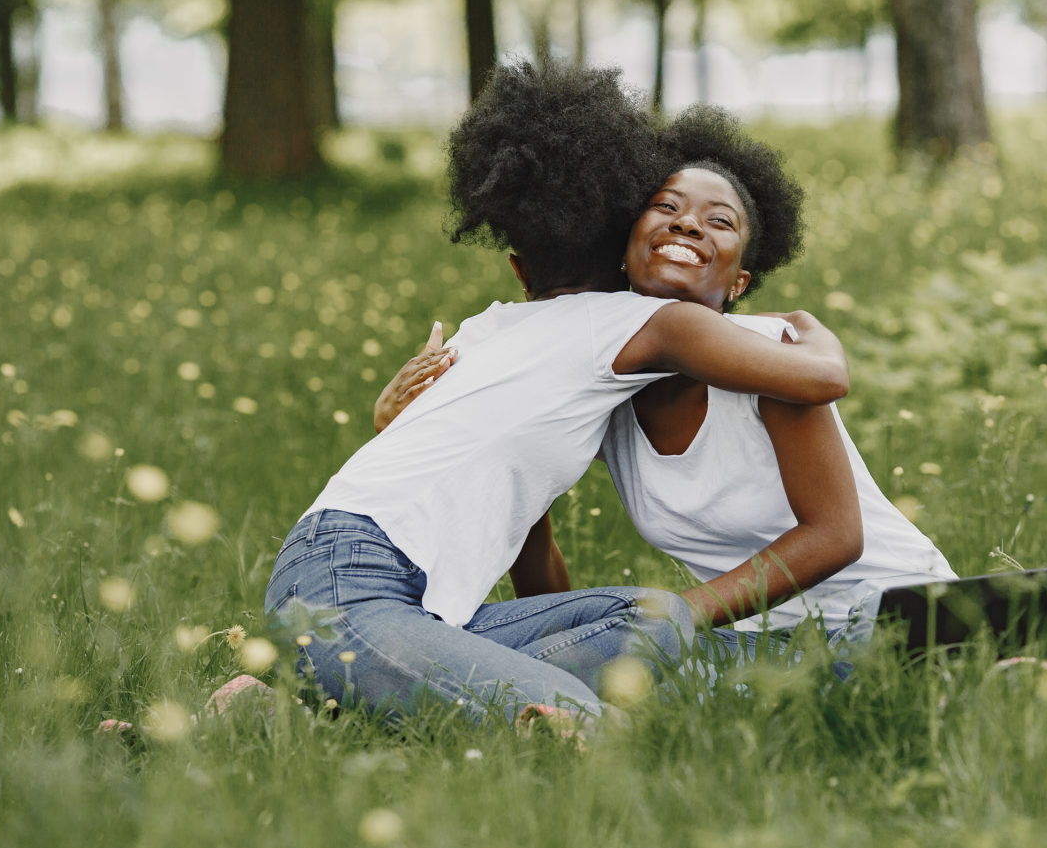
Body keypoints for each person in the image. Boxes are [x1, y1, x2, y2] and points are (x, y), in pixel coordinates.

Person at [265, 63, 851, 729]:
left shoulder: (482, 335)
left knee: (656, 620)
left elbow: (525, 545)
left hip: (341, 573)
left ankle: (281, 709)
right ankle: (342, 685)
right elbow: (822, 379)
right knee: (575, 719)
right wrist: (803, 329)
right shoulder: (641, 321)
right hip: (355, 591)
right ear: (628, 246)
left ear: (518, 267)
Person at [377, 105, 956, 666]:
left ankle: (983, 656)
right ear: (625, 253)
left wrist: (664, 619)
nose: (687, 223)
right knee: (591, 681)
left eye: (720, 220)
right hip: (752, 643)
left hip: (890, 612)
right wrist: (557, 654)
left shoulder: (772, 361)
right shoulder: (595, 380)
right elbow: (530, 542)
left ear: (738, 283)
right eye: (665, 207)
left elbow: (836, 536)